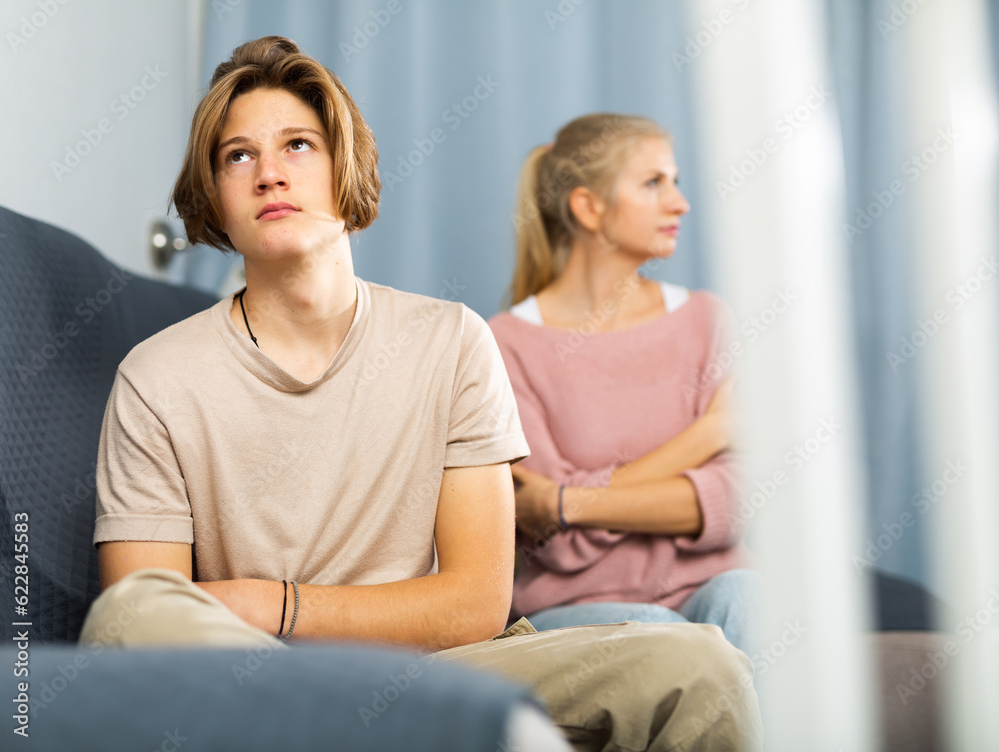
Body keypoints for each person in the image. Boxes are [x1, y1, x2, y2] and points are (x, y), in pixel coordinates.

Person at [79, 38, 762, 751]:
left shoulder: (454, 340)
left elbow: (475, 603)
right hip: (259, 680)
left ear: (345, 167)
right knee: (128, 615)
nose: (270, 173)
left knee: (701, 666)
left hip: (442, 673)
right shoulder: (155, 378)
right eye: (238, 156)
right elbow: (144, 619)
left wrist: (274, 604)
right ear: (215, 196)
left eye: (299, 145)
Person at [488, 114, 757, 655]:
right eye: (653, 183)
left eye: (675, 181)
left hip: (709, 585)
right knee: (667, 641)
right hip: (577, 605)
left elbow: (732, 502)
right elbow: (551, 539)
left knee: (751, 601)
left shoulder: (707, 320)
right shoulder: (505, 343)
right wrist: (707, 436)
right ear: (589, 207)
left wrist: (567, 501)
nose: (680, 203)